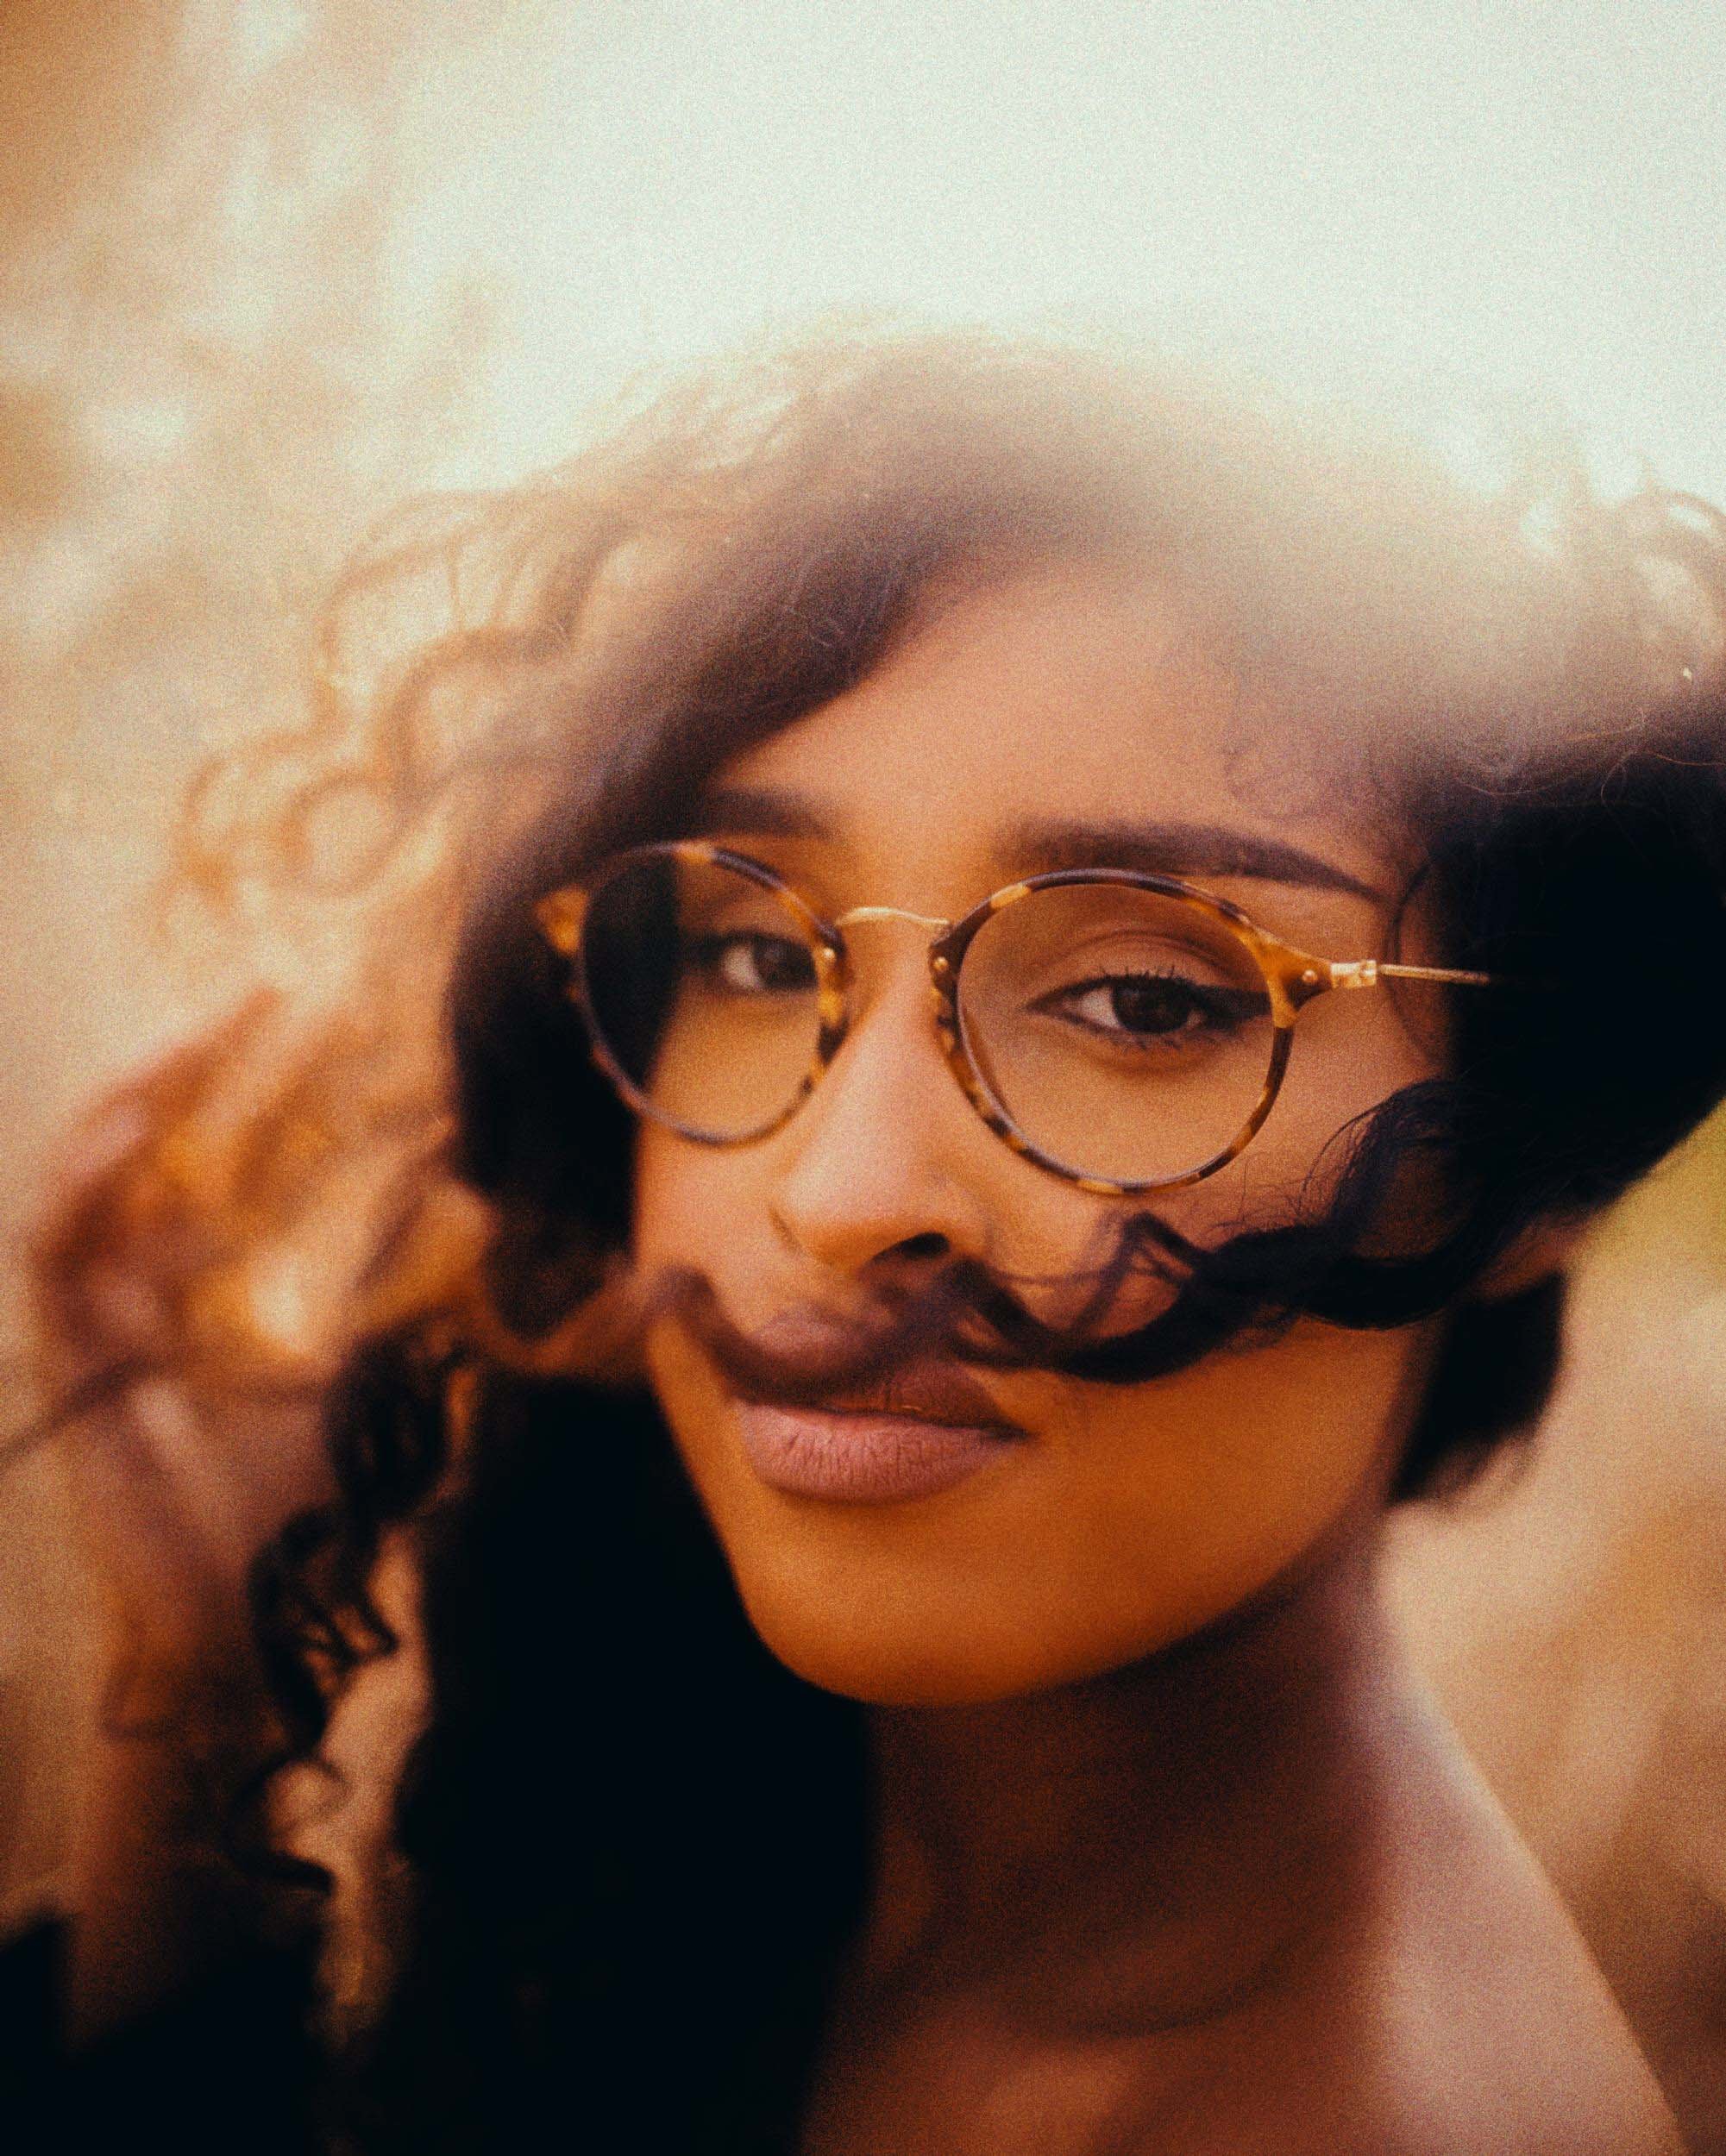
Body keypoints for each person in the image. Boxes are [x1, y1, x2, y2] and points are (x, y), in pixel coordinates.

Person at [24, 330, 1726, 2153]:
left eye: (1146, 999)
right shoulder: (705, 1800)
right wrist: (198, 1696)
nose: (838, 1190)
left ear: (1518, 1178)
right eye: (758, 956)